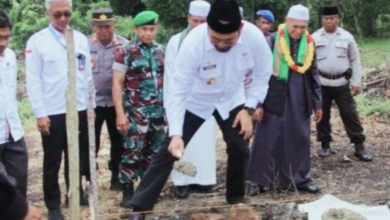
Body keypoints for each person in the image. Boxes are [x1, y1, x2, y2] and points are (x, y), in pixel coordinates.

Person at [126, 0, 273, 219]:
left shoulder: (253, 37)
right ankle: (140, 208)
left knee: (239, 147)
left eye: (229, 40)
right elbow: (178, 91)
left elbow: (263, 74)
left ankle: (236, 201)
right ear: (207, 28)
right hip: (197, 99)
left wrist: (249, 109)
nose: (222, 45)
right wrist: (176, 134)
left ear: (240, 29)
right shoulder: (193, 42)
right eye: (216, 39)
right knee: (169, 150)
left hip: (232, 99)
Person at [25, 0, 92, 219]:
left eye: (67, 13)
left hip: (79, 106)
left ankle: (75, 192)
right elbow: (33, 80)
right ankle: (53, 204)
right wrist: (40, 113)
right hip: (53, 110)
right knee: (53, 159)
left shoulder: (80, 39)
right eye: (57, 15)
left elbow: (86, 74)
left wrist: (89, 106)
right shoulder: (37, 42)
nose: (63, 18)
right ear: (47, 14)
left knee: (78, 154)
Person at [247, 4, 323, 195]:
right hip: (273, 94)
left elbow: (313, 73)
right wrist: (256, 103)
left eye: (302, 27)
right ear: (286, 22)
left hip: (300, 96)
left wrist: (318, 102)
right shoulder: (271, 40)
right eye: (294, 26)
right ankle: (259, 180)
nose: (298, 31)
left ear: (307, 26)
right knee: (268, 136)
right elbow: (258, 73)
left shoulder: (310, 43)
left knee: (299, 136)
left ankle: (300, 179)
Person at [112, 10, 166, 208]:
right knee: (133, 150)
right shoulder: (125, 52)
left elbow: (166, 80)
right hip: (136, 112)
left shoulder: (161, 50)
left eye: (152, 29)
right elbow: (117, 83)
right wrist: (120, 114)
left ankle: (147, 191)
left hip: (158, 111)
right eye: (145, 29)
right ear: (136, 29)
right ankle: (127, 189)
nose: (149, 33)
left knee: (155, 152)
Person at [165, 0, 216, 199]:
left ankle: (203, 179)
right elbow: (170, 76)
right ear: (188, 18)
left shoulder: (215, 41)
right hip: (183, 101)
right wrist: (169, 106)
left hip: (206, 99)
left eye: (203, 21)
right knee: (182, 144)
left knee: (203, 144)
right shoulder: (175, 41)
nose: (199, 25)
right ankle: (182, 182)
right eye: (195, 21)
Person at [312, 6, 373, 162]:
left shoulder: (347, 37)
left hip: (341, 83)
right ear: (322, 20)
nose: (329, 21)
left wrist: (356, 82)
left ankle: (359, 146)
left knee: (350, 114)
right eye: (326, 18)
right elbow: (309, 62)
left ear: (338, 19)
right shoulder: (314, 37)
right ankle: (325, 145)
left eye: (332, 18)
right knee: (322, 115)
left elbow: (355, 59)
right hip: (322, 83)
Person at [88, 7, 128, 191]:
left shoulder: (124, 45)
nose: (104, 30)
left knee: (118, 142)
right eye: (99, 26)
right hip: (92, 103)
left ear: (113, 24)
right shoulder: (85, 45)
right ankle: (89, 179)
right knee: (90, 142)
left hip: (116, 104)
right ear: (94, 26)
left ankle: (116, 177)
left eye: (107, 26)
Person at [0, 10, 28, 199]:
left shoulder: (9, 55)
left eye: (6, 37)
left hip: (12, 130)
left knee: (19, 181)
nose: (3, 43)